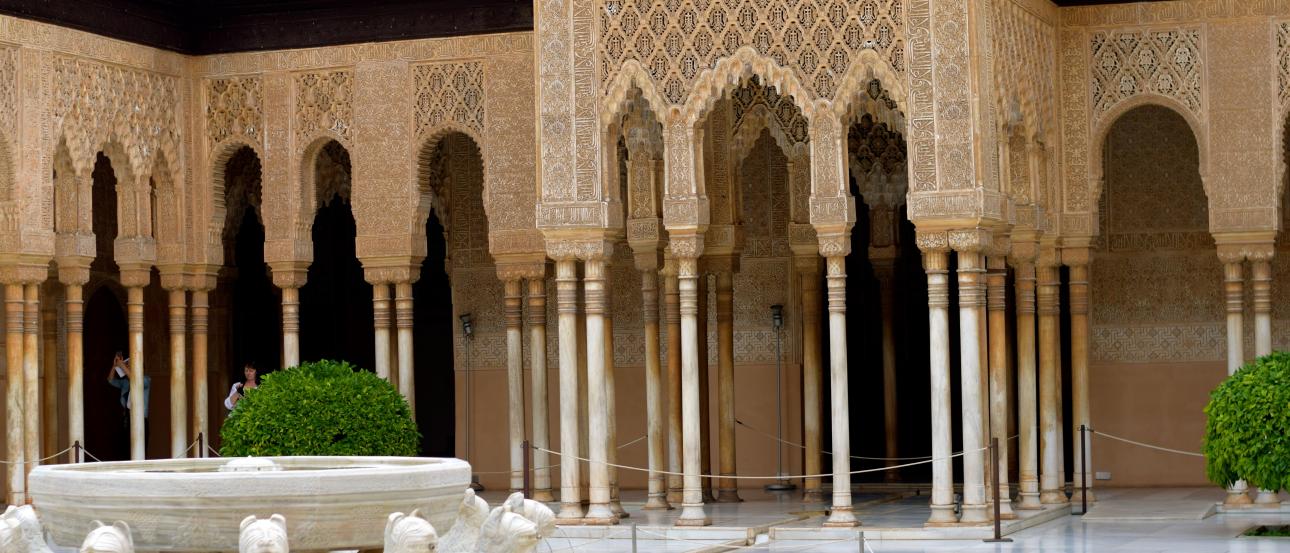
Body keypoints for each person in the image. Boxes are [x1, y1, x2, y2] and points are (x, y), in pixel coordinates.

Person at [107, 351, 151, 456]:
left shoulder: (146, 379)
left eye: (131, 367)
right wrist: (115, 366)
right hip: (127, 419)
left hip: (141, 420)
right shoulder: (126, 382)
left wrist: (122, 365)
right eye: (128, 366)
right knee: (126, 448)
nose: (128, 369)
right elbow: (110, 380)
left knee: (141, 449)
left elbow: (136, 381)